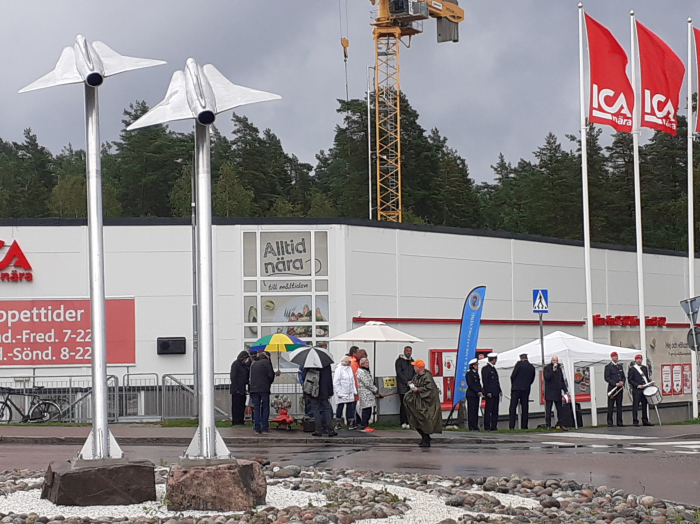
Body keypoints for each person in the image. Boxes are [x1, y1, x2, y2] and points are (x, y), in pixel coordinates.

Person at [403, 359, 442, 447]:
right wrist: (412, 383)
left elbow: (429, 389)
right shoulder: (418, 376)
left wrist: (418, 389)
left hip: (426, 404)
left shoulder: (427, 376)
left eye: (415, 366)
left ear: (418, 367)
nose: (413, 368)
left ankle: (426, 439)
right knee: (416, 420)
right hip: (418, 403)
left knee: (424, 420)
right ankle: (425, 438)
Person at [302, 363, 337, 437]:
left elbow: (304, 376)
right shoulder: (326, 364)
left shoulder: (309, 363)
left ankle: (318, 430)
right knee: (326, 409)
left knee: (315, 410)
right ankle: (330, 430)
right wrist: (330, 392)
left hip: (312, 390)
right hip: (324, 391)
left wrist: (306, 392)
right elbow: (329, 378)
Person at [249, 351, 278, 434]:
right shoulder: (266, 363)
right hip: (264, 389)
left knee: (256, 408)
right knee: (265, 407)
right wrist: (268, 383)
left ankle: (256, 427)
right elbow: (270, 375)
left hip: (254, 389)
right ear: (266, 357)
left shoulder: (254, 363)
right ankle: (264, 426)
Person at [509, 353, 536, 430]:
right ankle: (524, 426)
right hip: (526, 388)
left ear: (521, 358)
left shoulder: (518, 365)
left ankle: (512, 426)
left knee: (513, 407)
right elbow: (532, 379)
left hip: (516, 389)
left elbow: (513, 376)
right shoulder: (531, 367)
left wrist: (514, 384)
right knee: (525, 408)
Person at [628, 354, 654, 427]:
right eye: (637, 359)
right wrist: (637, 385)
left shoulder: (644, 368)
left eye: (640, 359)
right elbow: (630, 380)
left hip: (645, 389)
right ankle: (635, 421)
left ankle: (645, 420)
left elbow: (646, 378)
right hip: (637, 390)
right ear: (635, 360)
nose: (639, 360)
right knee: (635, 406)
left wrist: (649, 383)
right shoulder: (632, 369)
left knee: (644, 405)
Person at [356, 357, 382, 432]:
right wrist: (375, 389)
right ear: (362, 364)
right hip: (364, 393)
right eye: (366, 362)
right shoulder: (361, 372)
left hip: (369, 393)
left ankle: (366, 424)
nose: (368, 364)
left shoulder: (366, 371)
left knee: (369, 409)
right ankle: (364, 425)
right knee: (366, 409)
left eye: (368, 362)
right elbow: (367, 383)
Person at [543, 356, 568, 430]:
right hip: (549, 392)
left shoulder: (559, 369)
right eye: (554, 360)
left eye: (556, 360)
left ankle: (561, 423)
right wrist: (553, 371)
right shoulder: (547, 368)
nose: (555, 362)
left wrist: (565, 390)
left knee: (560, 409)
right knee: (549, 409)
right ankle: (548, 425)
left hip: (557, 392)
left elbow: (562, 380)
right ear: (551, 361)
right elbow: (547, 378)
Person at [333, 355, 357, 429]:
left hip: (349, 392)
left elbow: (352, 380)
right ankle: (338, 423)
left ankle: (351, 423)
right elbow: (336, 382)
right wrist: (339, 392)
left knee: (350, 407)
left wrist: (354, 390)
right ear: (346, 362)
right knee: (340, 407)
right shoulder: (339, 369)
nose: (350, 363)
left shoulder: (349, 369)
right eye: (349, 361)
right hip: (341, 392)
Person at [395, 345, 415, 429]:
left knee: (410, 404)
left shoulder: (412, 361)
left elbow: (414, 372)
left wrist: (413, 381)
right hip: (402, 386)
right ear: (404, 351)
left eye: (410, 351)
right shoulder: (399, 361)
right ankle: (402, 421)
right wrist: (406, 381)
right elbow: (399, 373)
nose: (408, 352)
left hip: (410, 386)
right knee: (403, 404)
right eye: (407, 351)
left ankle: (408, 421)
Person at [481, 352, 501, 431]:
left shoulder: (493, 368)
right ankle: (487, 426)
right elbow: (486, 381)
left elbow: (496, 381)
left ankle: (494, 426)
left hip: (495, 392)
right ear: (493, 359)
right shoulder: (486, 369)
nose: (496, 361)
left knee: (495, 410)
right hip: (490, 393)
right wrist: (488, 392)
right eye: (495, 359)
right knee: (489, 410)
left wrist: (499, 390)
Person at [605, 351, 626, 427]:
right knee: (611, 406)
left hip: (619, 389)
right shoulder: (608, 367)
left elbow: (623, 376)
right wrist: (615, 383)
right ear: (612, 357)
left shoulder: (619, 366)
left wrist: (622, 382)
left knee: (619, 405)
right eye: (615, 356)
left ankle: (619, 422)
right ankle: (610, 422)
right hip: (612, 389)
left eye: (617, 356)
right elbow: (607, 378)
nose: (616, 358)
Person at [229, 350, 251, 425]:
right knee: (236, 406)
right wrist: (236, 389)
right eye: (245, 359)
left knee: (242, 405)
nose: (246, 360)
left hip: (242, 389)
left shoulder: (244, 365)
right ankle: (235, 421)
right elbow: (233, 377)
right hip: (237, 390)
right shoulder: (235, 364)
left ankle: (241, 420)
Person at [465, 358, 483, 431]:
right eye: (475, 365)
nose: (477, 366)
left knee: (475, 410)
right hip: (471, 395)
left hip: (476, 395)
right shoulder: (469, 374)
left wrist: (481, 390)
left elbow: (478, 384)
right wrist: (477, 391)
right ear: (472, 366)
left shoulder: (476, 373)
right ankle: (471, 426)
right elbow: (471, 384)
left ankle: (475, 425)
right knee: (471, 411)